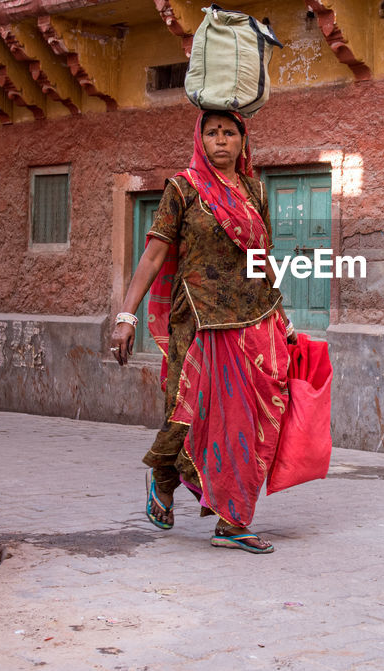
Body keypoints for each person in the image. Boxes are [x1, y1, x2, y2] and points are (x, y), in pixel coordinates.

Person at [110, 109, 295, 554]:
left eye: (229, 132)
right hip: (199, 318)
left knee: (247, 418)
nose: (221, 140)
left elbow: (261, 254)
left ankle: (231, 520)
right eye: (212, 132)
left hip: (251, 316)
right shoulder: (183, 187)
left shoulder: (253, 191)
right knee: (195, 410)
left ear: (242, 140)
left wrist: (281, 312)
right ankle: (166, 476)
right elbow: (153, 256)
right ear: (200, 139)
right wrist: (126, 316)